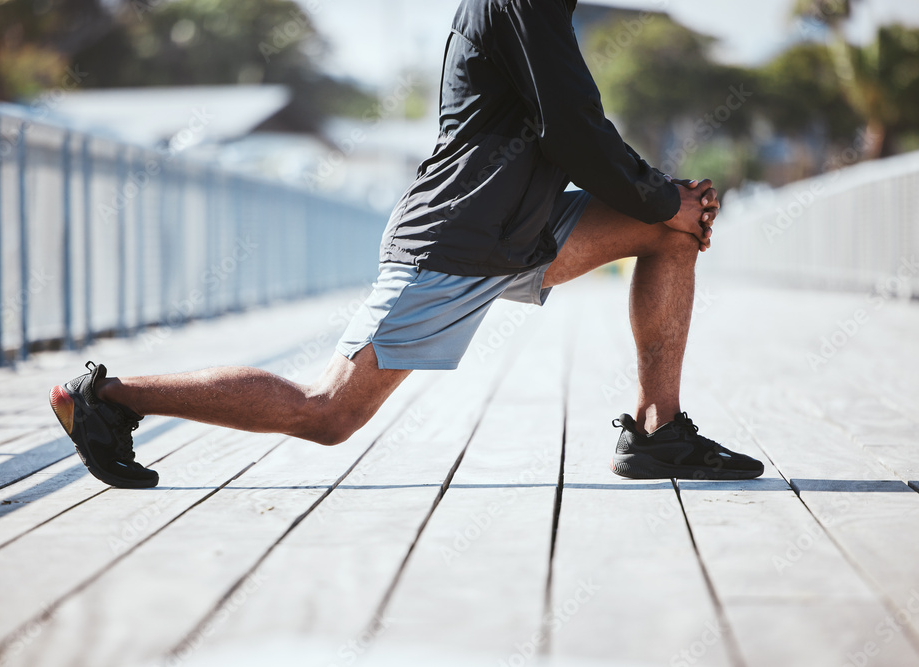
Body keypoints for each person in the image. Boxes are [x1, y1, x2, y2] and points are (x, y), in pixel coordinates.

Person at [49, 0, 763, 489]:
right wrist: (661, 190)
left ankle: (656, 429)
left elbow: (571, 129)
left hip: (519, 227)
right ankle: (107, 397)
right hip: (457, 239)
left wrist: (666, 201)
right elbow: (571, 128)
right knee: (327, 411)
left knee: (672, 229)